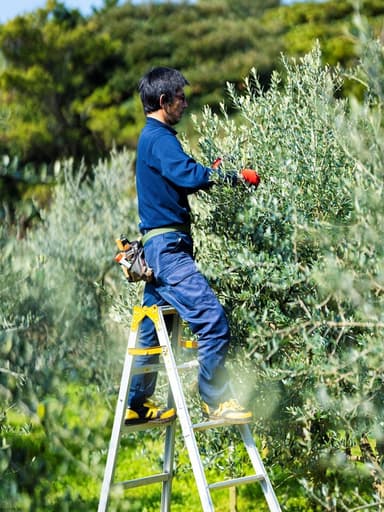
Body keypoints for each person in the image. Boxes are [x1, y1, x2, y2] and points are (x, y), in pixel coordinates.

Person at [125, 67, 259, 426]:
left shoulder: (152, 138)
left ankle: (135, 404)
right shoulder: (160, 137)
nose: (185, 104)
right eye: (180, 98)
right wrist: (231, 177)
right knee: (213, 322)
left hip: (159, 249)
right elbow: (187, 175)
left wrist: (205, 171)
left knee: (151, 335)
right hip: (168, 251)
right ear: (164, 101)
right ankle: (215, 401)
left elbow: (180, 178)